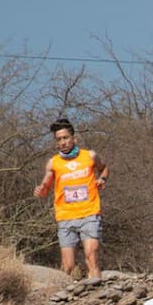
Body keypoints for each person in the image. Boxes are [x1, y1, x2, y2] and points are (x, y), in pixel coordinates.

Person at [33, 118, 109, 282]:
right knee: (67, 266)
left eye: (66, 138)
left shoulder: (89, 155)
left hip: (89, 212)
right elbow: (45, 188)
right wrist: (41, 190)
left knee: (91, 255)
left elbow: (104, 168)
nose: (63, 142)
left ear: (74, 138)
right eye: (59, 139)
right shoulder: (53, 163)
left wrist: (102, 179)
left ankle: (98, 294)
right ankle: (70, 296)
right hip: (65, 216)